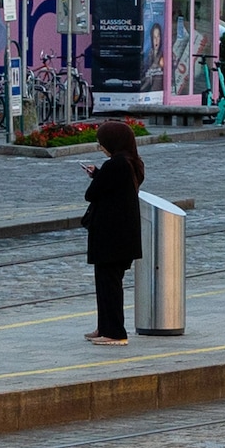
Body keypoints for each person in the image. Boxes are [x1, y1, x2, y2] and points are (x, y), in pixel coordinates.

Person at [81, 117, 148, 343]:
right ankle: (104, 327)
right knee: (106, 283)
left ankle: (115, 332)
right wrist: (99, 174)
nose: (101, 147)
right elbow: (115, 187)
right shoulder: (131, 162)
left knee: (109, 285)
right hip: (121, 236)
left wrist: (98, 177)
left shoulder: (116, 164)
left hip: (112, 236)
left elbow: (91, 194)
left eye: (102, 142)